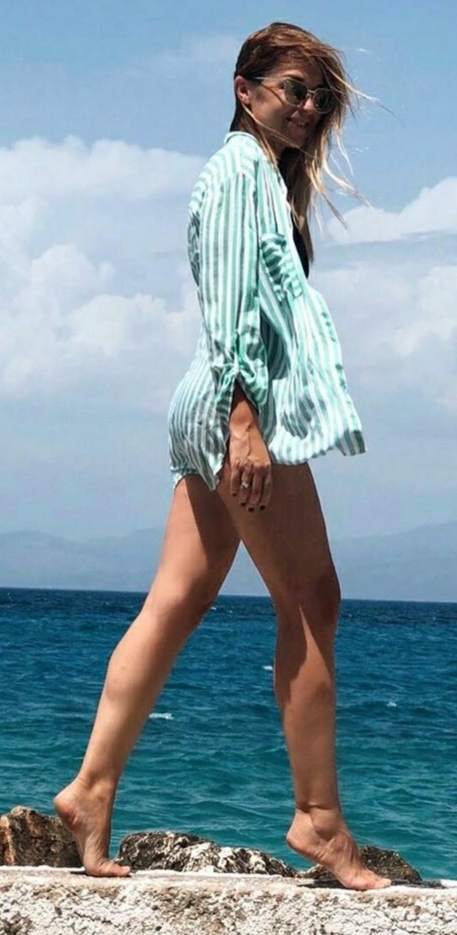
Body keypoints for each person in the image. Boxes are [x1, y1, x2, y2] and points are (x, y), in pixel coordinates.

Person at [55, 22, 391, 890]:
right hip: (240, 409)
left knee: (177, 599)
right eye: (293, 89)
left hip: (211, 402)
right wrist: (245, 420)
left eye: (319, 97)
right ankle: (319, 819)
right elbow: (233, 299)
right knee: (311, 599)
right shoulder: (242, 171)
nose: (308, 108)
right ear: (244, 90)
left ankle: (91, 790)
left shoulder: (251, 174)